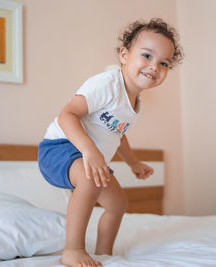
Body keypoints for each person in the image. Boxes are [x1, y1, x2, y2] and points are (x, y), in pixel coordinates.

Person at [38, 18, 183, 267]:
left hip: (89, 156)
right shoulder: (106, 84)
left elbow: (118, 135)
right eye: (146, 55)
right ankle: (72, 250)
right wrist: (89, 150)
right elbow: (67, 115)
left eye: (164, 63)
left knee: (118, 203)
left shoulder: (136, 105)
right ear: (125, 55)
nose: (154, 66)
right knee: (87, 179)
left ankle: (104, 252)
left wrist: (134, 164)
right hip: (59, 148)